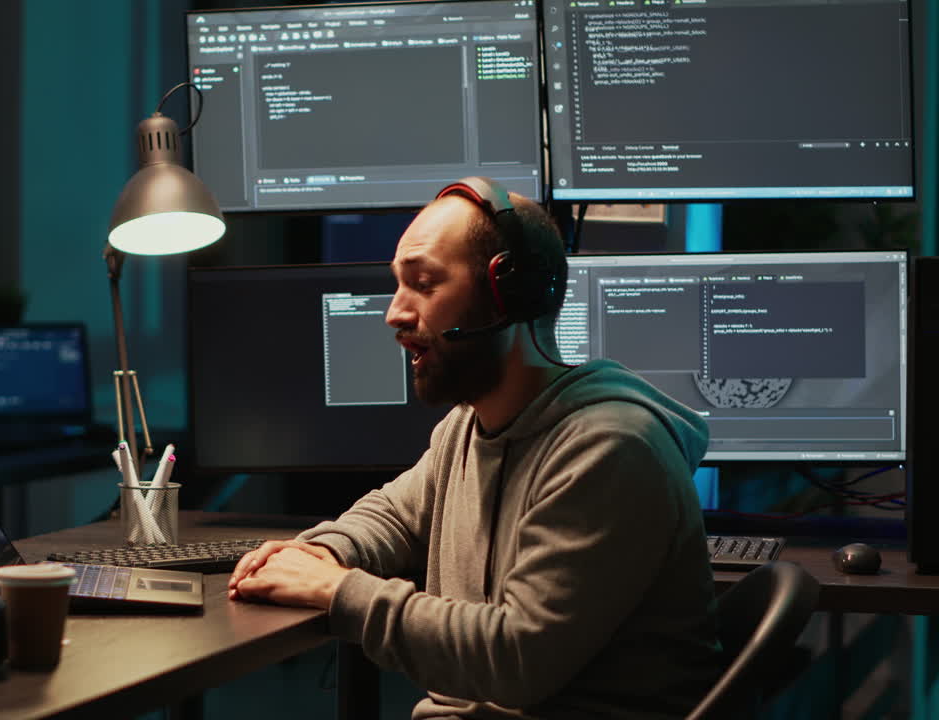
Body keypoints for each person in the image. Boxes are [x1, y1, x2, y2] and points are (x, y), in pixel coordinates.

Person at [228, 178, 722, 719]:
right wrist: (327, 552)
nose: (394, 313)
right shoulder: (467, 427)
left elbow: (517, 661)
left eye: (423, 283)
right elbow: (393, 515)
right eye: (398, 285)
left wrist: (339, 591)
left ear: (503, 293)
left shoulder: (611, 448)